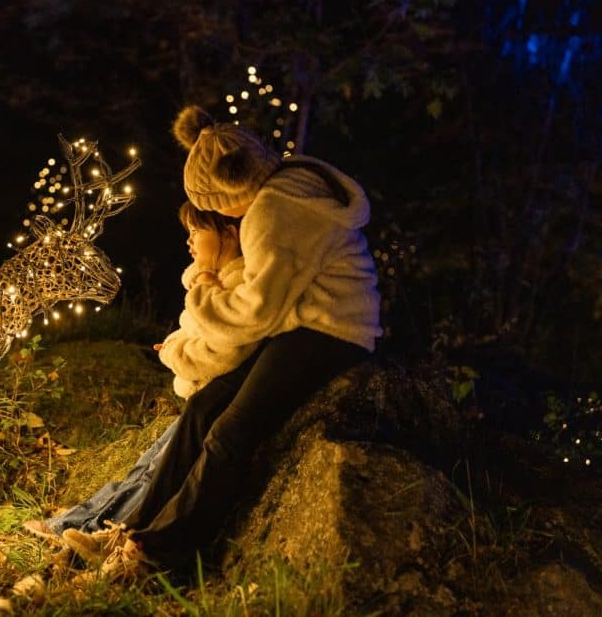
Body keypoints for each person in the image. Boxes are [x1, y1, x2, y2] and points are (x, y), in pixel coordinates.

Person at [72, 105, 382, 580]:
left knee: (233, 431)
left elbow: (255, 314)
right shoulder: (291, 181)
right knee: (203, 410)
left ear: (233, 185)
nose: (216, 215)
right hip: (301, 326)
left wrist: (204, 287)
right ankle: (131, 529)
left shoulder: (275, 211)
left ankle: (161, 555)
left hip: (330, 332)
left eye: (215, 203)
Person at [23, 202, 257, 550]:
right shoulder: (212, 282)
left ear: (229, 234)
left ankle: (99, 534)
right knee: (144, 469)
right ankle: (75, 525)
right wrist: (179, 344)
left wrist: (174, 352)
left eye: (197, 232)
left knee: (153, 473)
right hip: (201, 398)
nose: (189, 242)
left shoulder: (235, 288)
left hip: (211, 400)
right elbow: (187, 335)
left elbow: (219, 352)